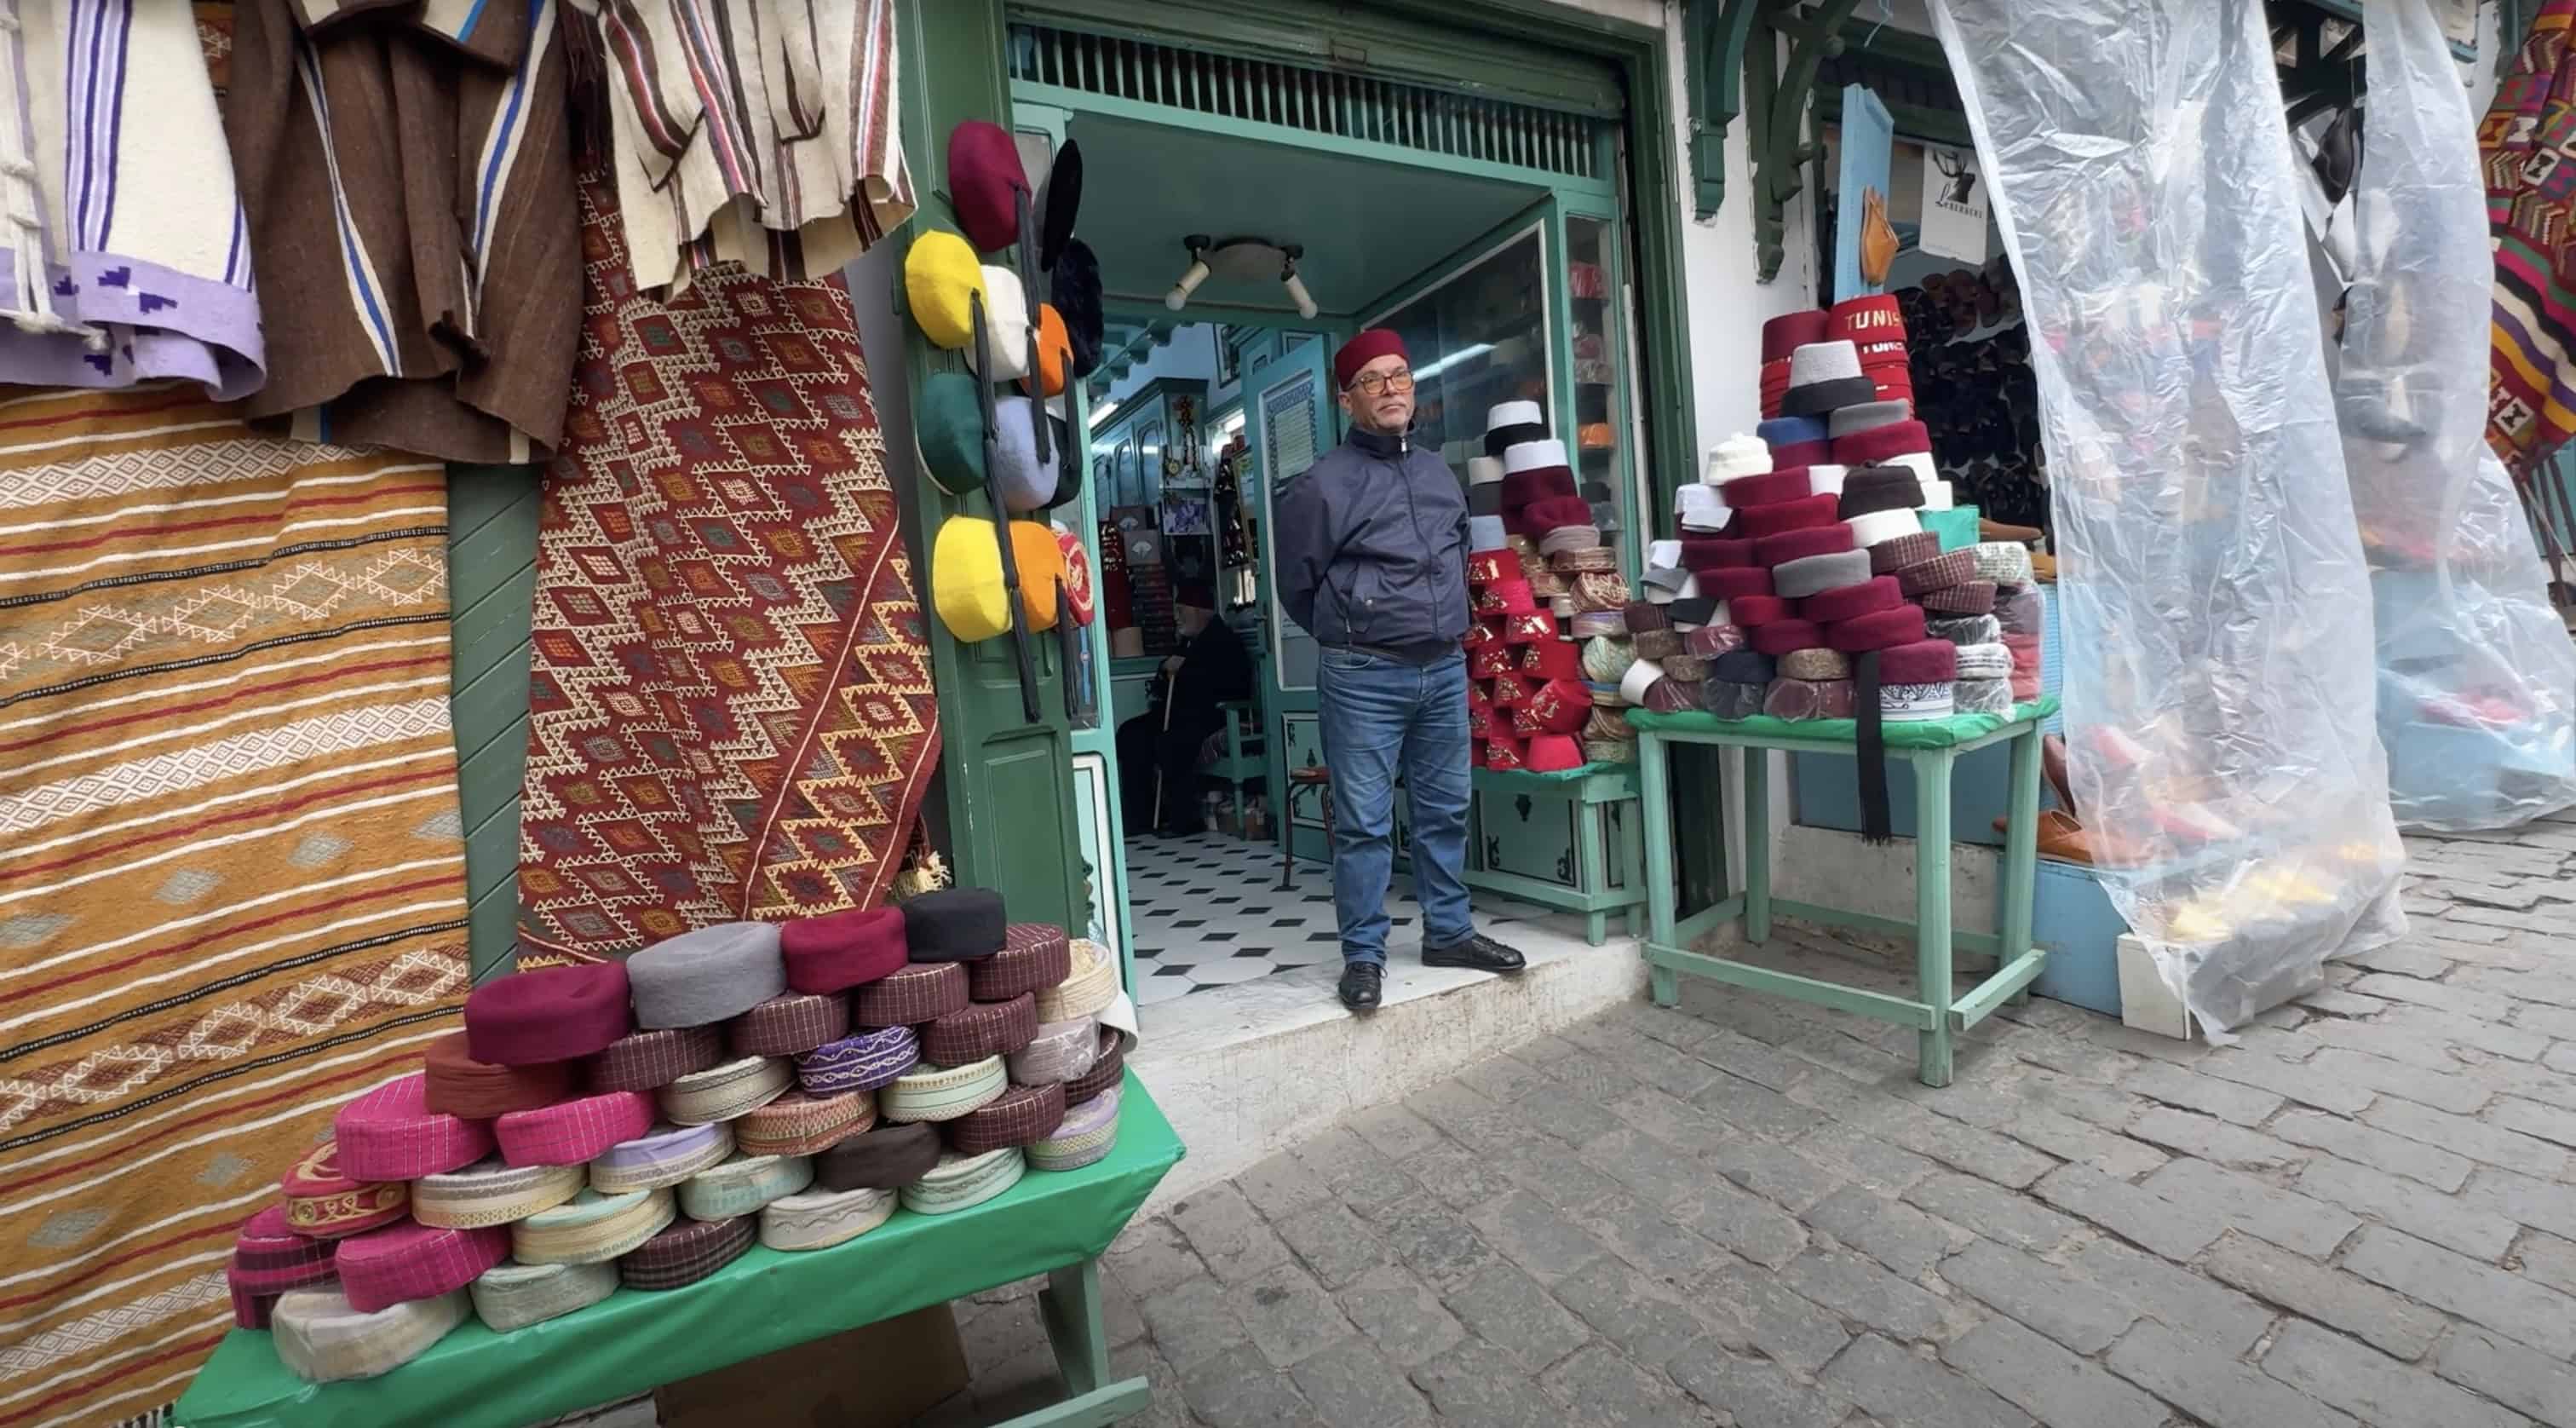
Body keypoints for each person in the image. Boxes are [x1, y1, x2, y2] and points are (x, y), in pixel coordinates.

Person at [1276, 329, 1524, 1011]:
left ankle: (1449, 932)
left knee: (1445, 810)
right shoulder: (1322, 485)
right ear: (1346, 398)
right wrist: (1356, 626)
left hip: (1443, 667)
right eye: (1373, 381)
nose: (1391, 390)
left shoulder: (1437, 472)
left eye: (1401, 377)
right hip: (1363, 675)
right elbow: (1297, 586)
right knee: (1364, 822)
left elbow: (1458, 554)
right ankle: (1363, 955)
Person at [1116, 604, 1254, 838]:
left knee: (1172, 742)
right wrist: (1165, 670)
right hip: (1178, 712)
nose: (1176, 616)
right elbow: (1165, 684)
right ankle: (1141, 816)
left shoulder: (1224, 642)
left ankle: (1185, 819)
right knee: (1131, 734)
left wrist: (1186, 669)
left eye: (1182, 610)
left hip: (1210, 714)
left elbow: (1225, 687)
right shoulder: (1187, 641)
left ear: (1202, 611)